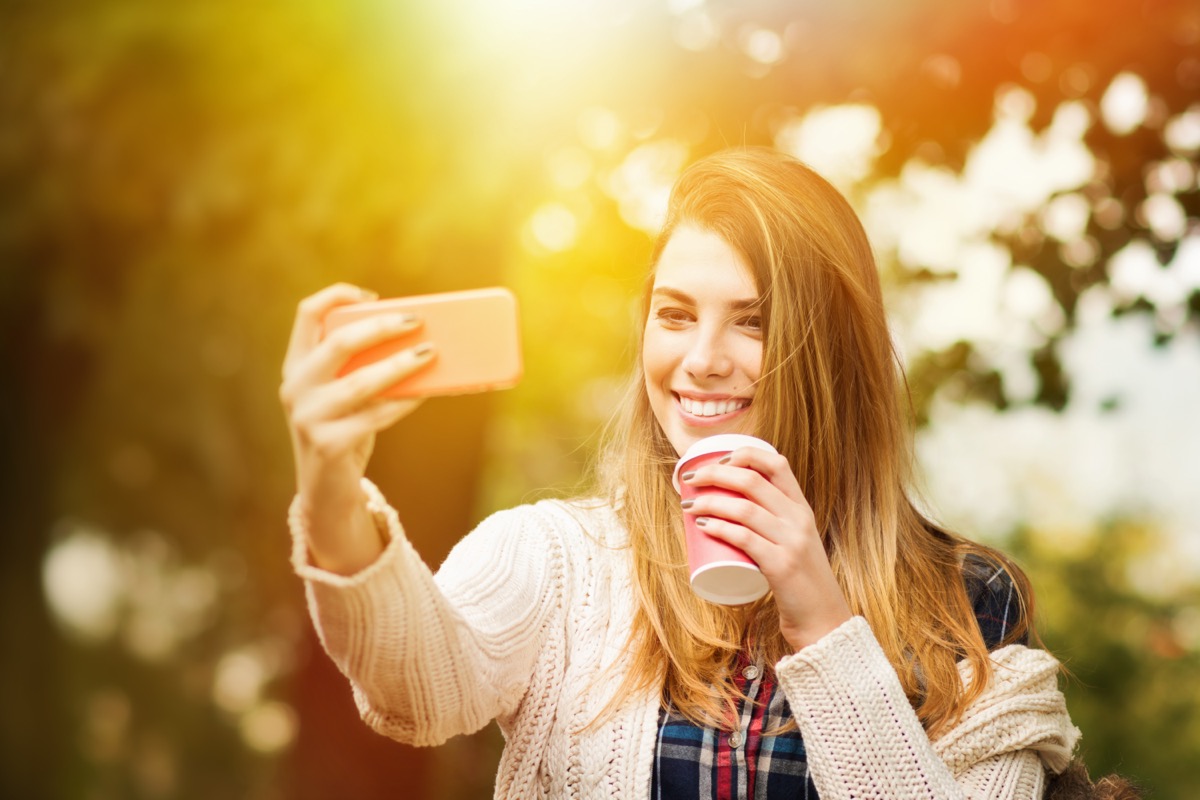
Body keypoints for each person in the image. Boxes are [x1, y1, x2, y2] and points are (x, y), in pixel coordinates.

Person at [280, 148, 1083, 799]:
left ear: (834, 356)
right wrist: (330, 489)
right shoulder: (561, 563)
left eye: (753, 322)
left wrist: (824, 623)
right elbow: (413, 692)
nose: (700, 362)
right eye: (674, 315)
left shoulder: (968, 609)